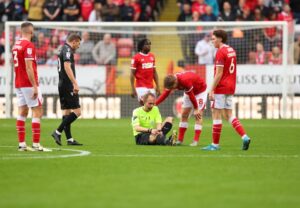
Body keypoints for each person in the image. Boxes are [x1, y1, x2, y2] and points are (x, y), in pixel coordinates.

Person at [202, 29, 251, 151]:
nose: (212, 41)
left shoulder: (220, 52)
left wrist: (211, 89)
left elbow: (219, 74)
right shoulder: (231, 50)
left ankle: (215, 145)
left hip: (221, 87)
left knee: (216, 114)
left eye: (213, 39)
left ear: (220, 39)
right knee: (228, 114)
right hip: (230, 87)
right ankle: (244, 136)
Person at [12, 22, 51, 152]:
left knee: (22, 111)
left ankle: (22, 144)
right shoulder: (28, 45)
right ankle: (36, 144)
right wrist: (34, 86)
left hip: (18, 82)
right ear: (30, 32)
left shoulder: (16, 45)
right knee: (37, 110)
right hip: (28, 82)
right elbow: (29, 67)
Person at [156, 71, 207, 146]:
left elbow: (192, 96)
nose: (172, 89)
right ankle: (180, 140)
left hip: (200, 92)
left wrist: (196, 109)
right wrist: (155, 104)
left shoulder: (184, 81)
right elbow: (165, 94)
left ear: (176, 82)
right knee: (184, 115)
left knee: (198, 115)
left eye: (173, 87)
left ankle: (195, 141)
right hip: (189, 92)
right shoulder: (171, 81)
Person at [51, 33, 83, 146]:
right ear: (73, 41)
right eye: (78, 43)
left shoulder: (63, 49)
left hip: (62, 84)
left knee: (66, 112)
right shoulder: (68, 50)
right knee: (77, 112)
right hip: (68, 84)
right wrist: (75, 83)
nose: (78, 46)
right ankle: (57, 131)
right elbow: (67, 66)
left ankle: (69, 139)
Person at [130, 38, 160, 104]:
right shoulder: (136, 58)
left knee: (152, 106)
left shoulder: (152, 56)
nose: (149, 46)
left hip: (151, 87)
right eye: (147, 44)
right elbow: (132, 74)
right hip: (141, 87)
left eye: (150, 44)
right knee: (145, 105)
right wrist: (133, 88)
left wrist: (157, 86)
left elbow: (154, 72)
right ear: (141, 46)